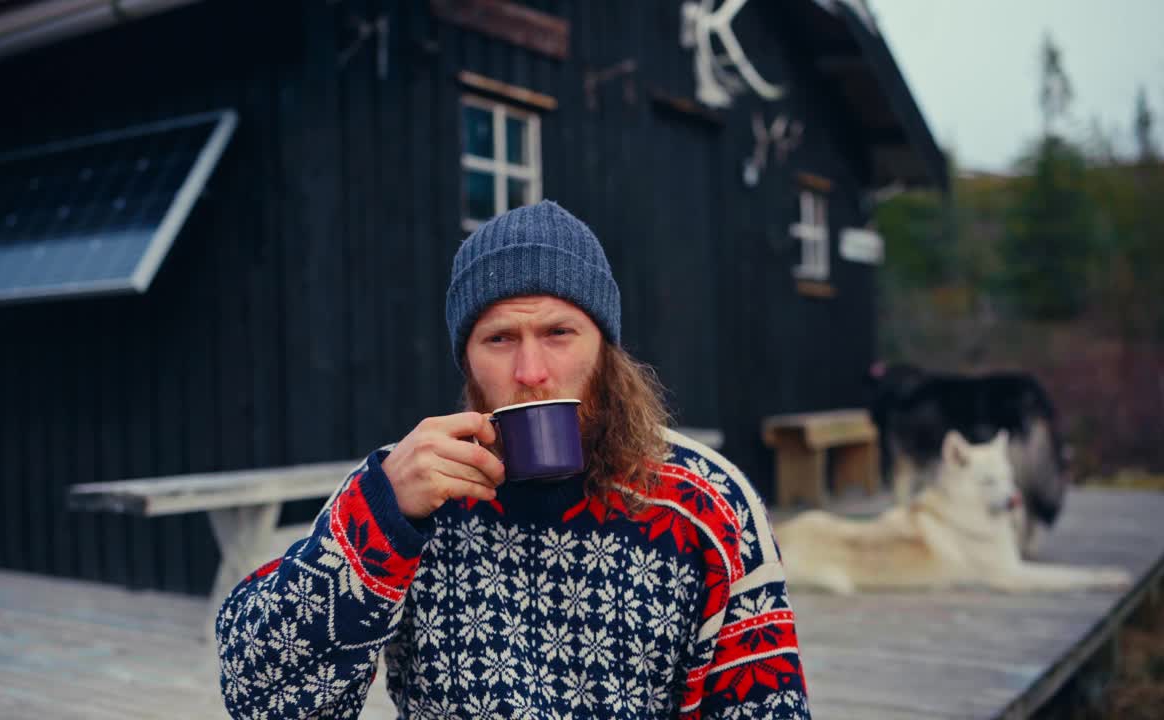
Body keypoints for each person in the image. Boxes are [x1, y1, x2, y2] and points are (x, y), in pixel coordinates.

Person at [216, 200, 811, 719]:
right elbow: (261, 697)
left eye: (559, 332)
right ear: (468, 361)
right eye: (499, 339)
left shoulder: (705, 504)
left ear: (605, 349)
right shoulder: (410, 490)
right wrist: (382, 520)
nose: (531, 373)